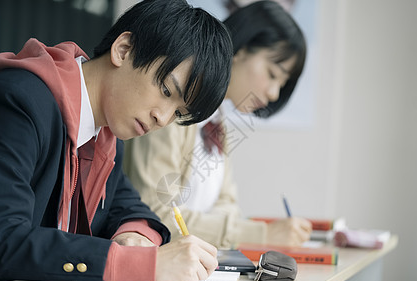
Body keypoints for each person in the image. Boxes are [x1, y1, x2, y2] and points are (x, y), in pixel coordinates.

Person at [0, 0, 233, 281]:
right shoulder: (19, 104)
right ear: (124, 50)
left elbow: (131, 210)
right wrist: (140, 264)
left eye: (178, 113)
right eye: (166, 90)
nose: (162, 118)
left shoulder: (105, 137)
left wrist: (135, 237)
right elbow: (0, 238)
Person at [123, 1, 312, 249]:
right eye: (273, 74)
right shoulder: (174, 109)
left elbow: (227, 203)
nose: (275, 93)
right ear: (241, 50)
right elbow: (155, 211)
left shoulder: (217, 118)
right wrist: (261, 235)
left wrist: (238, 229)